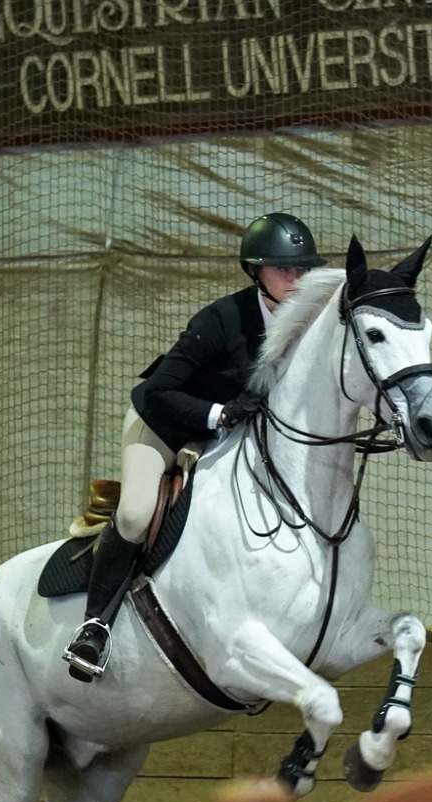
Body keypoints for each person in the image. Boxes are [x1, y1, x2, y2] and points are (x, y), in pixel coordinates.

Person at [63, 212, 327, 681]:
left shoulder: (308, 323)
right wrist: (219, 414)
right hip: (164, 421)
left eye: (303, 269)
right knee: (134, 513)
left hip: (227, 429)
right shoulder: (222, 319)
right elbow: (159, 391)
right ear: (256, 272)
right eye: (285, 269)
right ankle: (95, 625)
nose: (297, 279)